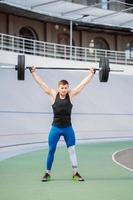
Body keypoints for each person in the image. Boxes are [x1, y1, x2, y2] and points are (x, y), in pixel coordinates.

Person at [29, 66, 95, 182]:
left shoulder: (71, 95)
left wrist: (91, 74)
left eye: (65, 88)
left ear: (68, 88)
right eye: (62, 88)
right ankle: (47, 173)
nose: (64, 90)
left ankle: (75, 173)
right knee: (51, 150)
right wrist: (33, 72)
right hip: (55, 128)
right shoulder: (53, 94)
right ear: (58, 88)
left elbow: (82, 85)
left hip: (68, 129)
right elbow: (41, 84)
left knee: (72, 150)